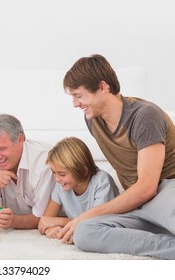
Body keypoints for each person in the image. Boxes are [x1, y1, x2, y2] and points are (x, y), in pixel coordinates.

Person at [61, 54, 175, 259]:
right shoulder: (93, 120)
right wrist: (85, 219)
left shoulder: (144, 115)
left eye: (79, 95)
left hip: (166, 191)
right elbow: (124, 169)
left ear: (103, 87)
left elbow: (148, 187)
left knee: (86, 220)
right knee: (85, 232)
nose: (75, 104)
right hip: (142, 205)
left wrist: (88, 213)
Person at [0, 113, 56, 229]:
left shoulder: (45, 161)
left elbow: (45, 217)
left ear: (20, 140)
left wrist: (13, 221)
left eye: (1, 149)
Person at [38, 137, 119, 240]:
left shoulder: (102, 182)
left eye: (62, 174)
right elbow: (46, 219)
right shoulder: (61, 185)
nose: (57, 179)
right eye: (53, 172)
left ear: (83, 171)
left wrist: (59, 222)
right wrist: (49, 229)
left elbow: (96, 223)